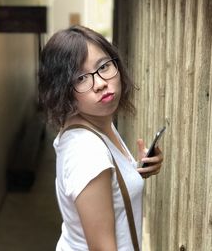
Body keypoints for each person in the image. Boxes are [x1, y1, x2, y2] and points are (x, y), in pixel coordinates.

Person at [38, 25, 163, 251]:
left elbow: (109, 191)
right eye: (81, 78)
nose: (100, 83)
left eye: (104, 66)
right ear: (62, 89)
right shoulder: (86, 151)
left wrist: (134, 171)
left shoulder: (98, 123)